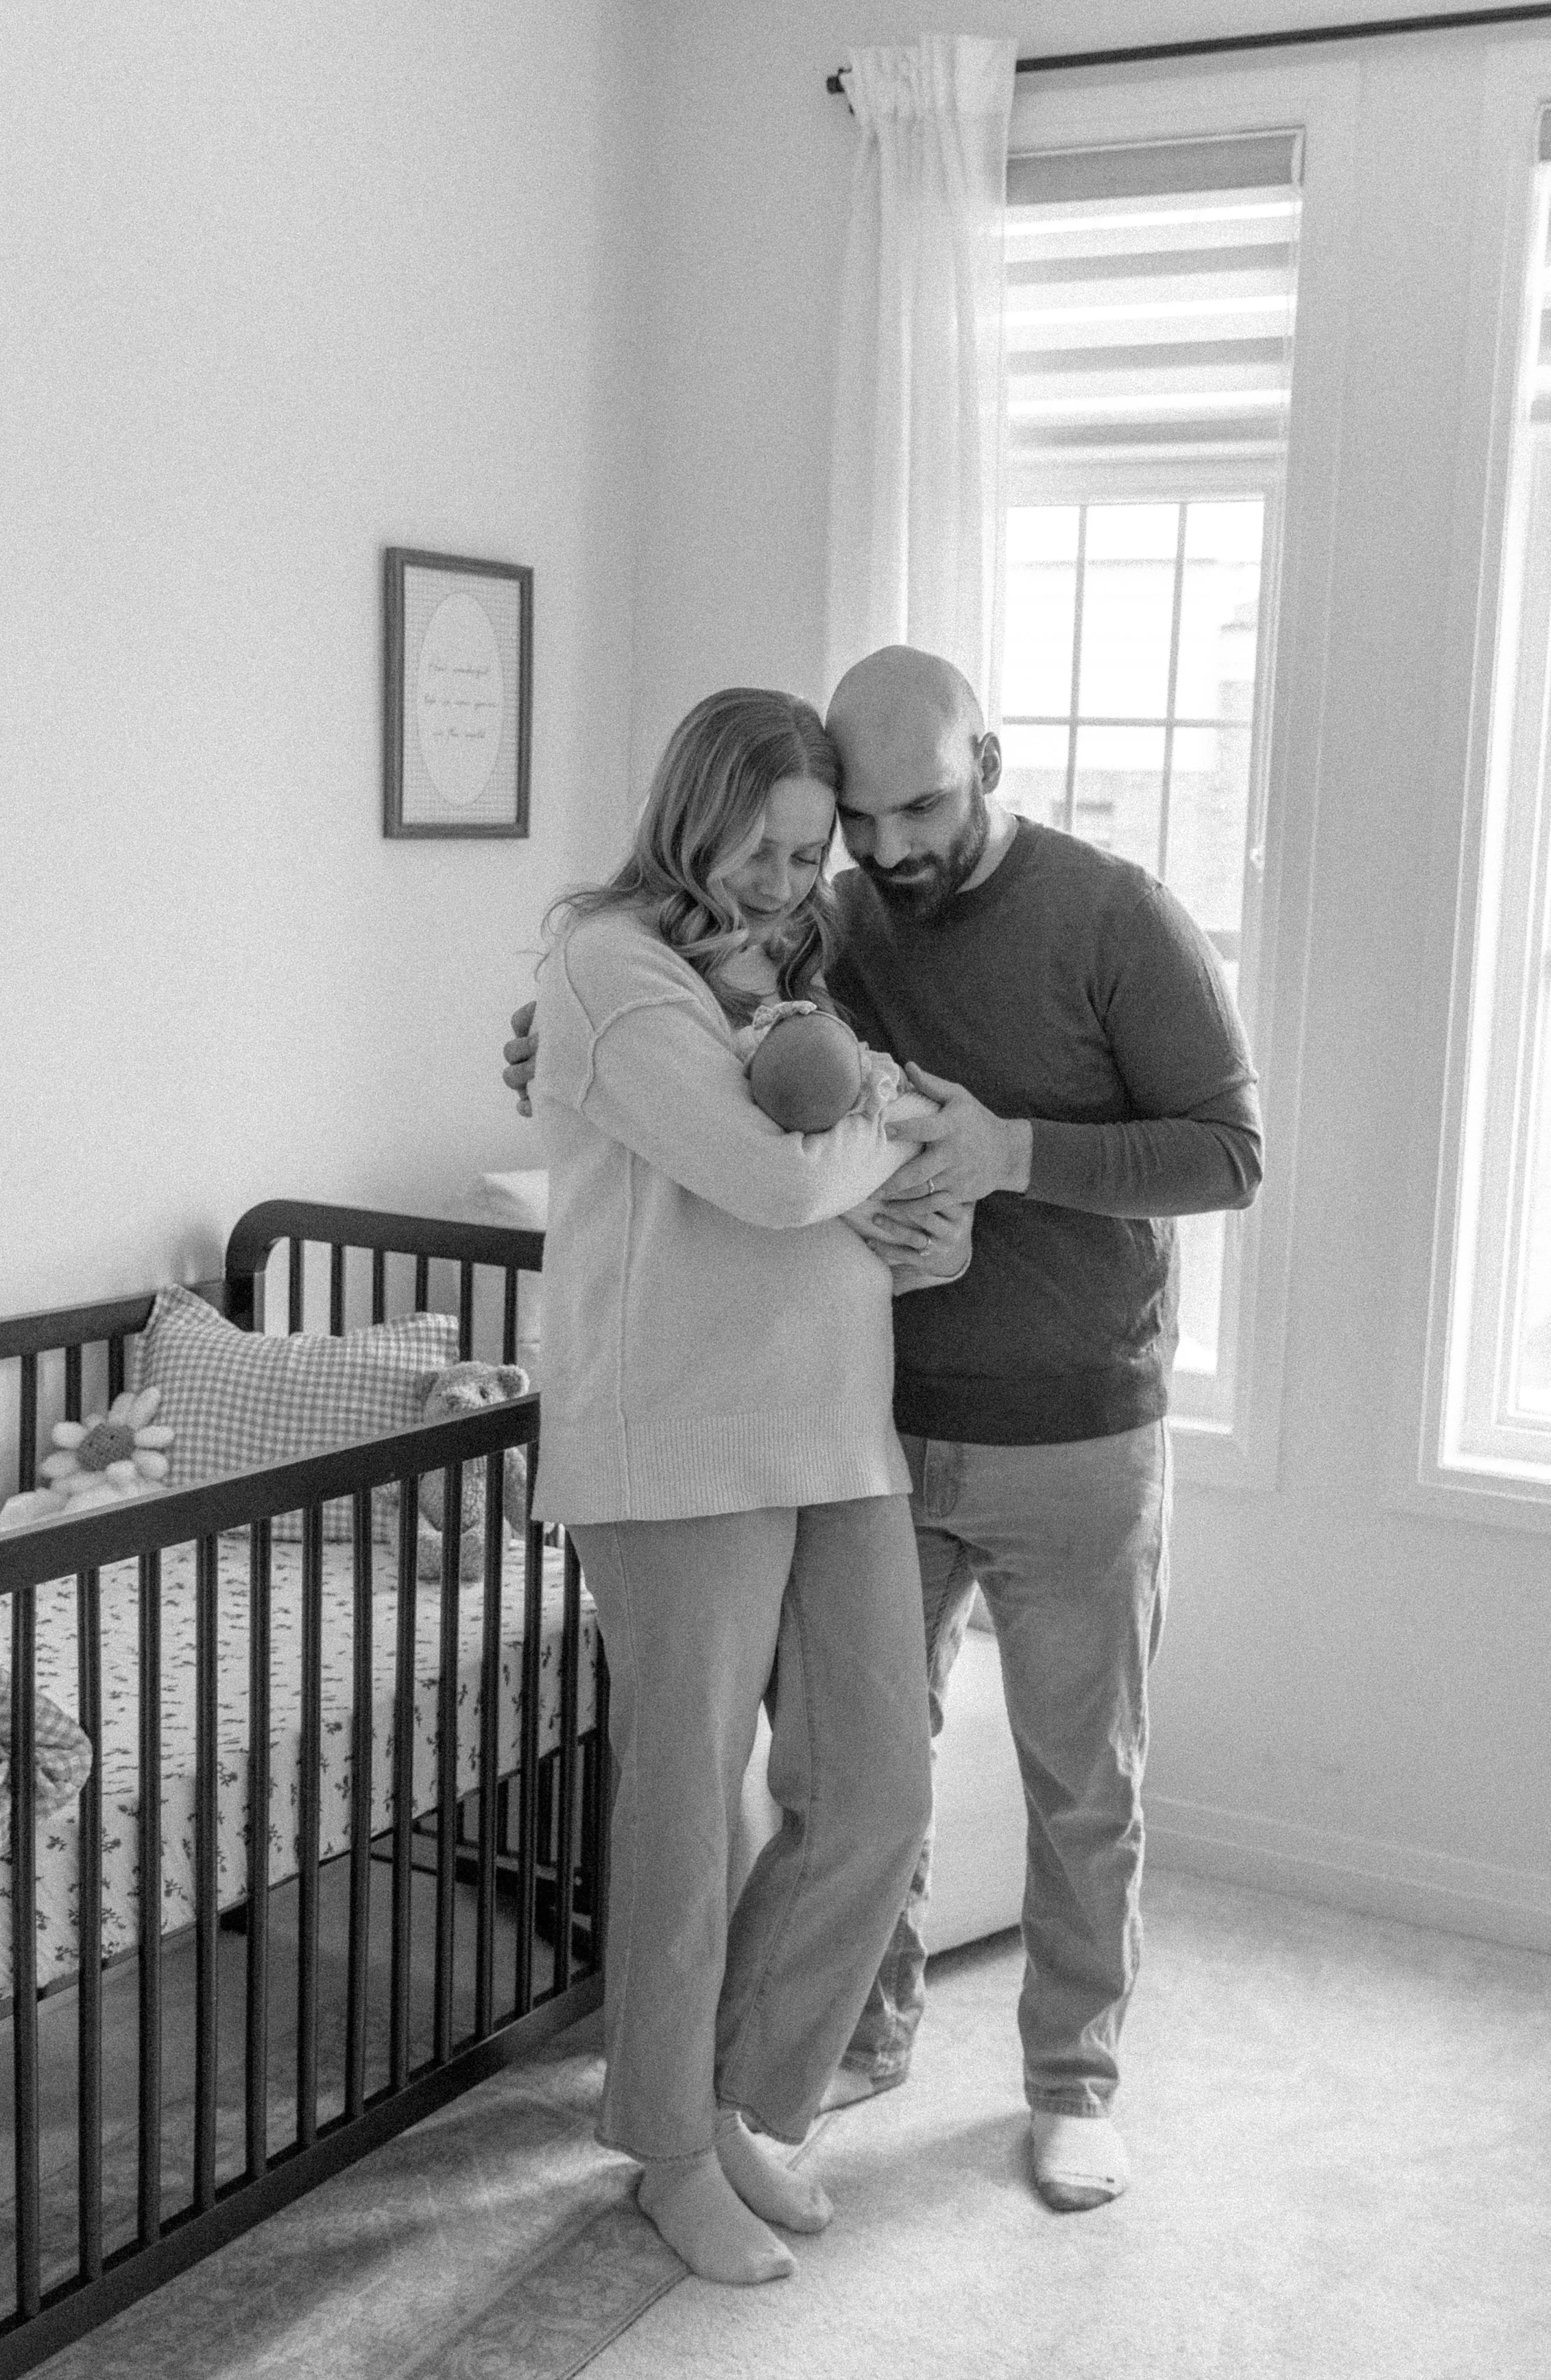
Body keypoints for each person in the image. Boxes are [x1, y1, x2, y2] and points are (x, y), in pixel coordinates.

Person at [508, 647, 1262, 2217]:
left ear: (988, 760)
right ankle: (820, 2060)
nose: (882, 848)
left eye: (916, 807)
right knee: (847, 1779)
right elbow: (724, 1057)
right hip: (879, 1416)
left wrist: (1010, 1151)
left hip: (1072, 1423)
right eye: (855, 823)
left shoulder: (1114, 916)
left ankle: (1069, 2086)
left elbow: (1227, 1154)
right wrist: (549, 1037)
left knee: (1080, 1781)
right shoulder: (827, 919)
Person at [529, 685, 966, 2287]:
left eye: (809, 852)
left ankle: (734, 2104)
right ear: (692, 816)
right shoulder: (607, 969)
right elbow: (773, 1184)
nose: (791, 881)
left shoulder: (784, 970)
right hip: (676, 1446)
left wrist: (877, 1120)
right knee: (687, 1806)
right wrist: (892, 1116)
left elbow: (826, 1150)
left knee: (876, 1787)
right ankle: (663, 2147)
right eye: (765, 849)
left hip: (833, 1428)